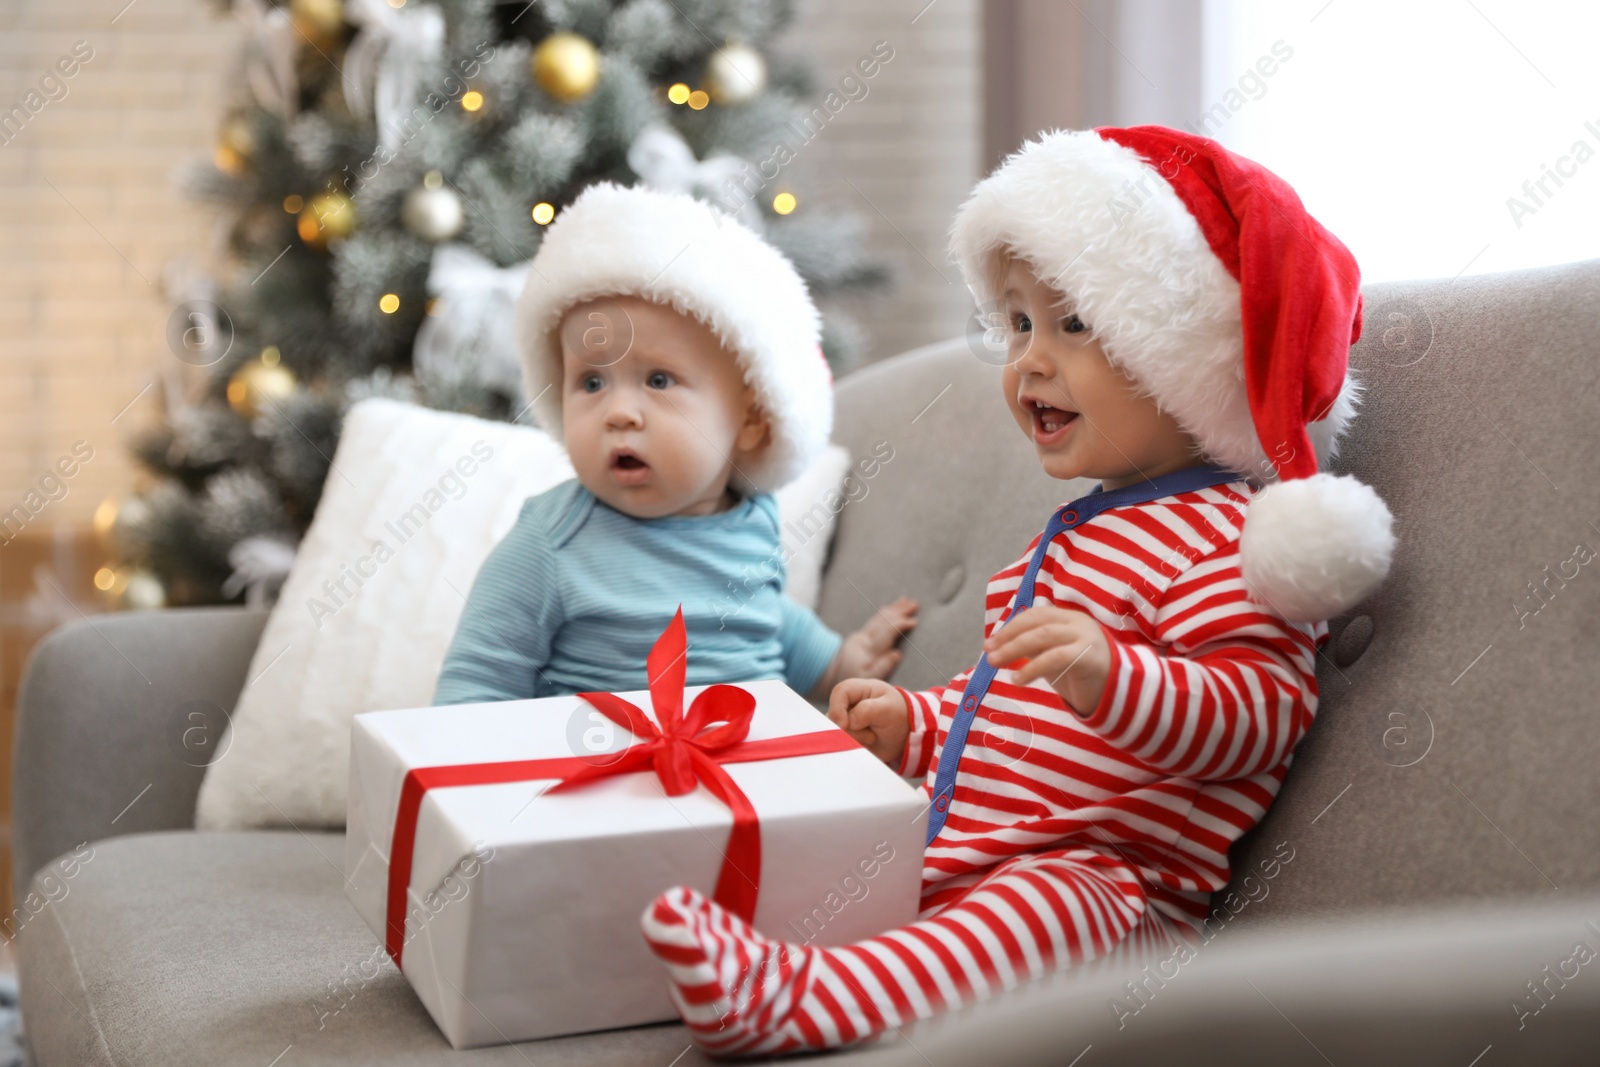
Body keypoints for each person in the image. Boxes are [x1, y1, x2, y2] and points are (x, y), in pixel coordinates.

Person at [640, 124, 1397, 1056]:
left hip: (1118, 905)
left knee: (1049, 904)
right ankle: (783, 960)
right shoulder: (1080, 533)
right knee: (875, 872)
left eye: (1073, 323)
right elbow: (995, 698)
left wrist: (1111, 675)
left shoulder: (1226, 539)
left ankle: (805, 997)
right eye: (1019, 323)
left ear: (1187, 356)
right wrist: (914, 722)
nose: (1030, 359)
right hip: (978, 860)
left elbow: (1260, 710)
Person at [432, 183, 917, 708]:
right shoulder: (551, 542)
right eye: (591, 383)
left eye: (659, 381)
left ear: (751, 419)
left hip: (751, 769)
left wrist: (838, 662)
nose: (618, 412)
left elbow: (765, 620)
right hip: (606, 773)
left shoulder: (755, 521)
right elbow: (476, 683)